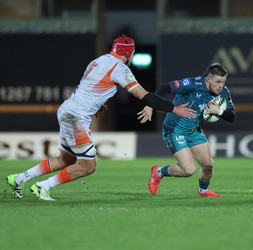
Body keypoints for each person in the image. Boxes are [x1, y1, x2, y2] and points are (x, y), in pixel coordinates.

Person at [6, 35, 195, 201]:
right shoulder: (120, 68)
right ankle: (43, 186)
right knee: (88, 166)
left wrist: (98, 103)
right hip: (76, 117)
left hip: (67, 109)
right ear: (128, 54)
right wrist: (173, 108)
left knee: (65, 160)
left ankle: (19, 178)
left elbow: (89, 86)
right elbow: (143, 95)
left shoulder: (97, 61)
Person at [138, 63, 235, 198]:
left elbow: (232, 117)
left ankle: (202, 192)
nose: (221, 86)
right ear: (207, 79)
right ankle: (159, 172)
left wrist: (219, 111)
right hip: (175, 130)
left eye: (223, 82)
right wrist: (150, 105)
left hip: (194, 130)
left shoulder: (224, 91)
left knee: (208, 165)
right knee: (189, 170)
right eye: (218, 81)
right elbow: (164, 87)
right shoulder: (192, 84)